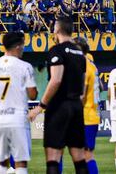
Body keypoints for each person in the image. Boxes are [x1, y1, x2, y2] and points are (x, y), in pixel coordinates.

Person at [27, 17, 88, 174]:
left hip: (59, 106)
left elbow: (55, 80)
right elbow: (82, 85)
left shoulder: (56, 50)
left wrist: (40, 107)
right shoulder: (80, 53)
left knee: (53, 156)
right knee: (79, 157)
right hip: (76, 105)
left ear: (57, 30)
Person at [0, 31, 38, 174]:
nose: (23, 48)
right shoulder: (25, 66)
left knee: (2, 164)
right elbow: (32, 94)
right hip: (17, 118)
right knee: (21, 164)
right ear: (17, 46)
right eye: (23, 45)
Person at [75, 37, 100, 174]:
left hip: (85, 116)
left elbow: (81, 95)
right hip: (92, 115)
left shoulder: (82, 66)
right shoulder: (91, 64)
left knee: (86, 155)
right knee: (84, 155)